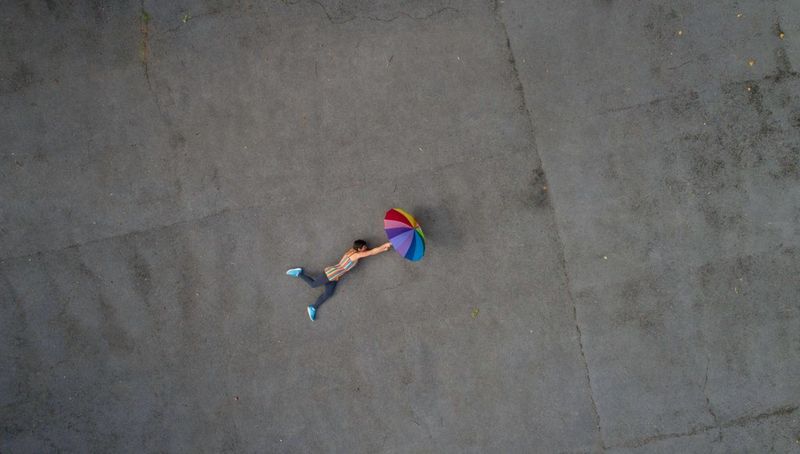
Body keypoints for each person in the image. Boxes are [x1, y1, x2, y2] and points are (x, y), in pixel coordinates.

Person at [287, 240, 392, 320]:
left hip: (336, 276)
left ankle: (313, 307)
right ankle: (299, 273)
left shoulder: (353, 251)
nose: (366, 248)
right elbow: (371, 252)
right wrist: (387, 244)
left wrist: (383, 249)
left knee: (328, 294)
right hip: (330, 274)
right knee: (313, 285)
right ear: (359, 249)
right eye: (364, 247)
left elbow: (370, 252)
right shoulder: (355, 255)